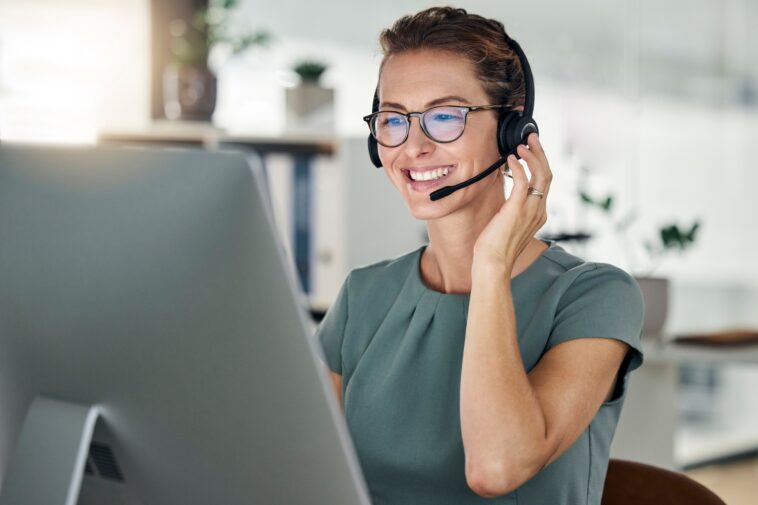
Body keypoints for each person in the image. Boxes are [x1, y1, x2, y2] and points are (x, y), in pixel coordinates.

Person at [314, 6, 644, 505]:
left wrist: (490, 266)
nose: (414, 146)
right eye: (393, 119)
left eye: (444, 117)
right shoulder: (363, 295)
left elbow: (496, 468)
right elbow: (306, 469)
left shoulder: (595, 295)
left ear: (513, 132)